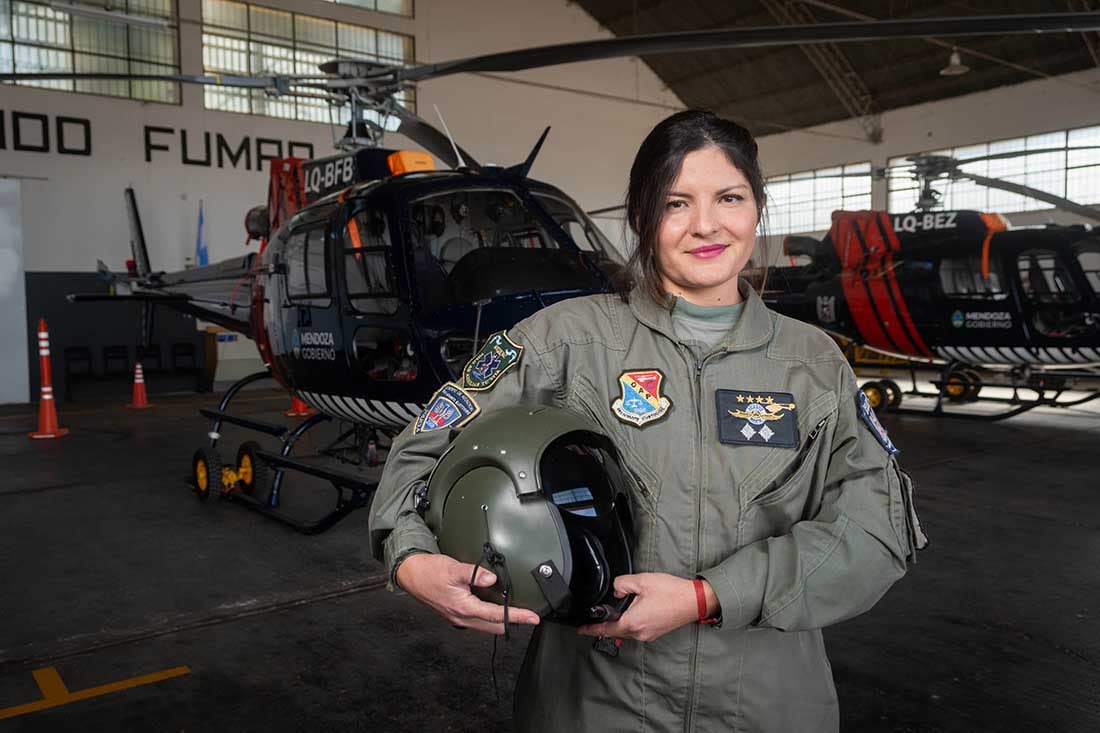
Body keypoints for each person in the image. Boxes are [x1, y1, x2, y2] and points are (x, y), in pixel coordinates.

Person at [369, 110, 925, 732]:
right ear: (641, 217)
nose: (706, 224)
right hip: (593, 703)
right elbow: (424, 443)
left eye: (729, 198)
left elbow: (876, 528)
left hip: (767, 706)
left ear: (757, 208)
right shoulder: (563, 340)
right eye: (676, 203)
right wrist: (409, 558)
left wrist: (707, 596)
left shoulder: (814, 363)